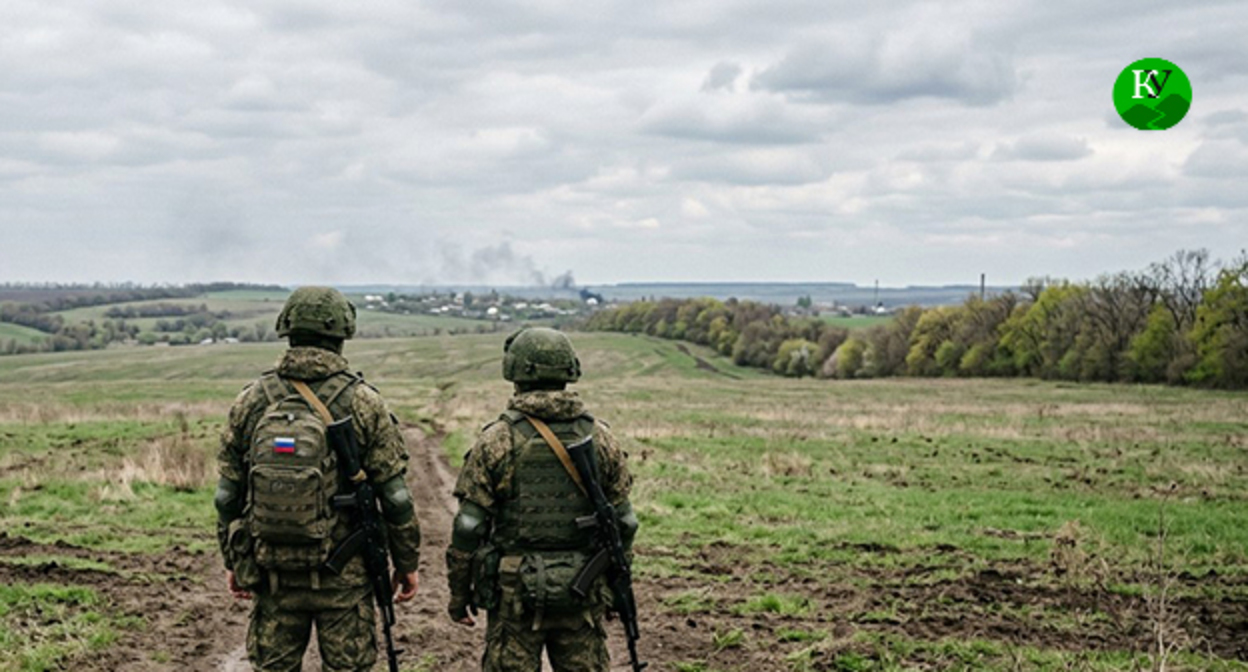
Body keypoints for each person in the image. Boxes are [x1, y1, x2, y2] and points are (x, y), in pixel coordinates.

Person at [215, 286, 421, 671]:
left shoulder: (252, 400)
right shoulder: (363, 401)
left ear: (286, 330)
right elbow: (395, 498)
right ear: (343, 334)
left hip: (272, 573)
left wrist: (233, 559)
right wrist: (406, 562)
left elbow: (227, 495)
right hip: (344, 576)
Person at [446, 327, 638, 672]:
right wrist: (616, 588)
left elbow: (468, 525)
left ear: (515, 371)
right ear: (570, 370)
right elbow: (625, 522)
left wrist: (460, 595)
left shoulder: (497, 439)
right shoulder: (602, 438)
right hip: (582, 591)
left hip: (514, 592)